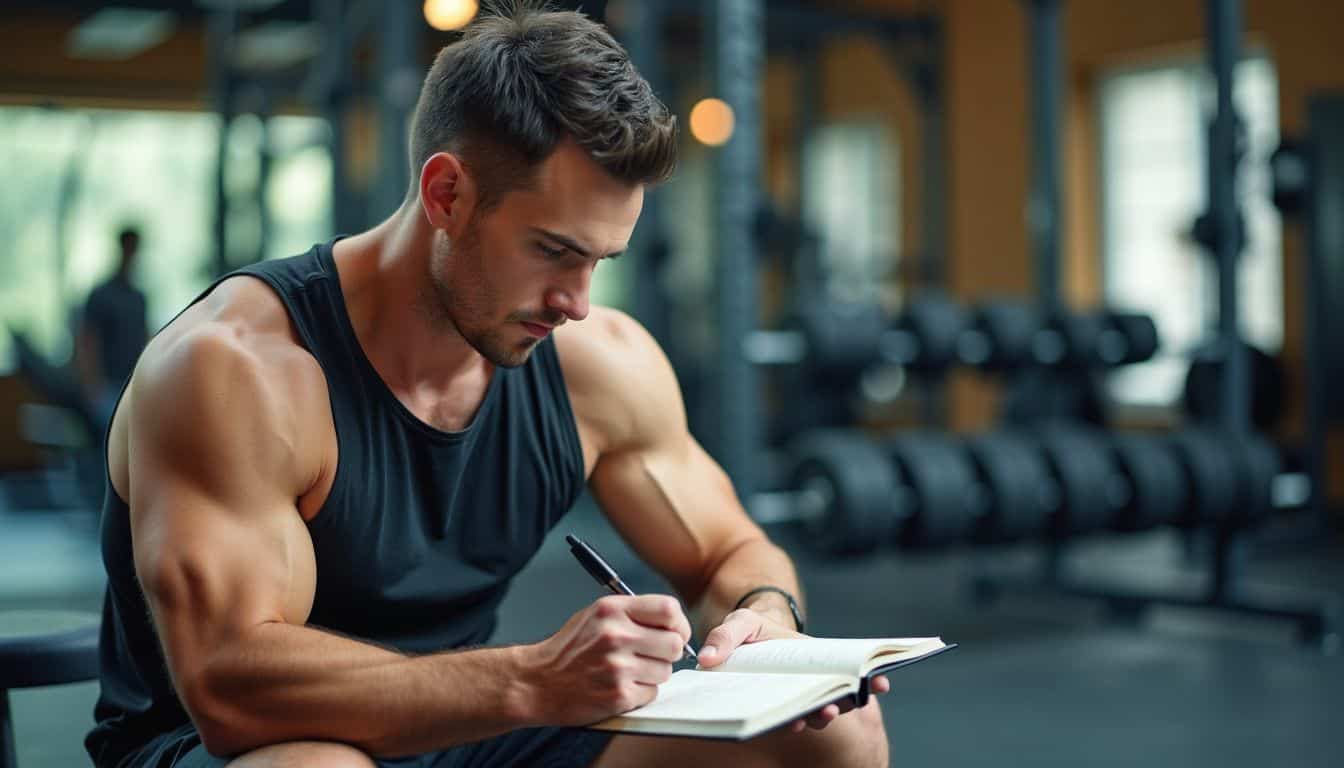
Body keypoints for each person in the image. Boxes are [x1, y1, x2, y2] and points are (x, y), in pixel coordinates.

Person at [85, 5, 890, 768]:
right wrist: (533, 680)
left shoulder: (595, 365)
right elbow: (230, 684)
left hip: (472, 729)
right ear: (447, 195)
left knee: (834, 731)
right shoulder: (238, 370)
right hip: (241, 745)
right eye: (553, 252)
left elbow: (731, 549)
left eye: (598, 264)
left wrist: (766, 622)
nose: (577, 303)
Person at [76, 225, 149, 429]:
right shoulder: (101, 294)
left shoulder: (138, 298)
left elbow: (145, 339)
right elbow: (87, 340)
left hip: (131, 386)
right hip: (106, 387)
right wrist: (92, 386)